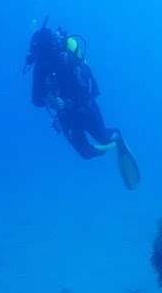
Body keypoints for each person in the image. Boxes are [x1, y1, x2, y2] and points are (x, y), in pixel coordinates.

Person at [23, 18, 141, 189]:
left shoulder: (67, 60)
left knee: (103, 137)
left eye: (43, 54)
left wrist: (66, 101)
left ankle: (116, 137)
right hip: (66, 117)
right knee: (86, 153)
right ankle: (110, 145)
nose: (42, 60)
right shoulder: (40, 67)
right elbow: (35, 99)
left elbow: (88, 90)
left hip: (86, 108)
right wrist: (47, 99)